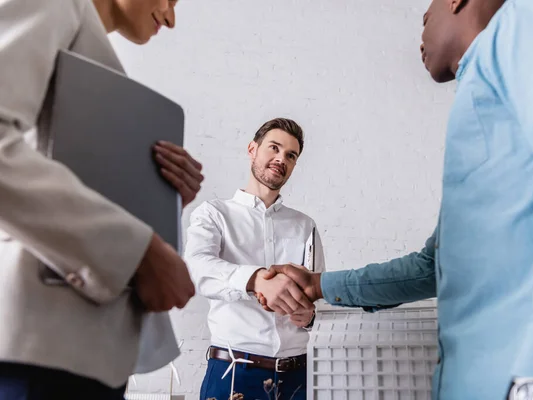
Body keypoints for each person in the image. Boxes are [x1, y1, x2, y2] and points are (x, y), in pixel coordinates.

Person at [260, 0, 533, 398]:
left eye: (426, 14)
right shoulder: (485, 98)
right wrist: (320, 285)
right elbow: (432, 267)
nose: (421, 30)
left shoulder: (529, 21)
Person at [0, 0, 203, 398]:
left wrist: (160, 192)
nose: (171, 16)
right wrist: (138, 252)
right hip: (37, 351)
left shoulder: (93, 58)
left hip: (81, 357)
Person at [185, 118, 325, 400]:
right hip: (233, 373)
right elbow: (196, 268)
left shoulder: (305, 225)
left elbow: (319, 295)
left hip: (300, 376)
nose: (280, 159)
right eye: (274, 148)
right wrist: (256, 279)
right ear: (252, 149)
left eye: (290, 155)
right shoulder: (213, 214)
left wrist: (310, 317)